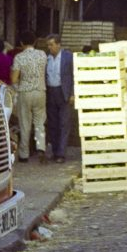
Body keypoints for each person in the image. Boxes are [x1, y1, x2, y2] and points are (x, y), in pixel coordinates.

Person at [10, 30, 48, 163]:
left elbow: (14, 79)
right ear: (35, 41)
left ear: (21, 43)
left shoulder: (19, 57)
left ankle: (24, 154)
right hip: (40, 91)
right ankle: (41, 147)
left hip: (25, 93)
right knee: (39, 122)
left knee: (25, 124)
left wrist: (18, 83)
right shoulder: (42, 55)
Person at [45, 34, 75, 163]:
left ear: (58, 45)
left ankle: (61, 154)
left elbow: (74, 75)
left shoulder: (68, 57)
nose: (49, 47)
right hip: (51, 92)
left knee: (64, 123)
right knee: (53, 124)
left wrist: (73, 93)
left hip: (64, 92)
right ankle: (55, 151)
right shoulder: (47, 58)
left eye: (51, 44)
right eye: (48, 45)